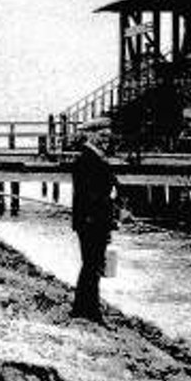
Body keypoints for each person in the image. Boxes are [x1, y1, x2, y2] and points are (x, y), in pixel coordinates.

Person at [71, 116, 118, 323]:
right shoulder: (85, 159)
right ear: (91, 135)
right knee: (91, 265)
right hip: (91, 221)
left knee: (94, 265)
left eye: (108, 136)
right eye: (102, 136)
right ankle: (87, 311)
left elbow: (109, 186)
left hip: (98, 220)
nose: (106, 140)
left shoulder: (98, 157)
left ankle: (86, 308)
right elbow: (91, 195)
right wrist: (112, 205)